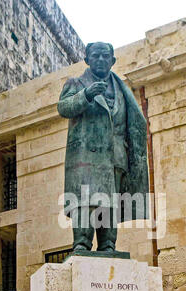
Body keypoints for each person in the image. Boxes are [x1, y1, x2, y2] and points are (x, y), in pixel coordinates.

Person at [57, 42, 148, 252]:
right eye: (95, 56)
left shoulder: (122, 90)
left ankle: (108, 244)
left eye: (105, 56)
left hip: (114, 157)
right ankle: (82, 242)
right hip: (85, 156)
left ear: (112, 61)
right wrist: (86, 95)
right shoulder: (77, 83)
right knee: (85, 201)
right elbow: (63, 107)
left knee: (109, 203)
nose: (100, 60)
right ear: (87, 59)